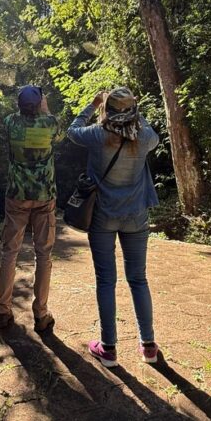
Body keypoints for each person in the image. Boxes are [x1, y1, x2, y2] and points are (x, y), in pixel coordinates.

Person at [67, 87, 160, 367]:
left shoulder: (97, 135)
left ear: (106, 110)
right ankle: (149, 347)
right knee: (138, 279)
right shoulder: (144, 137)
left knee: (106, 280)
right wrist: (134, 114)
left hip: (103, 217)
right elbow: (150, 132)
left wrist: (94, 104)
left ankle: (108, 349)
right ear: (134, 111)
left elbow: (72, 129)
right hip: (136, 217)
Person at [0, 85, 59, 332]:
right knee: (43, 255)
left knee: (9, 252)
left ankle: (3, 309)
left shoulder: (11, 122)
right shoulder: (50, 124)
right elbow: (53, 126)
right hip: (44, 196)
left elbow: (18, 117)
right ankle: (41, 314)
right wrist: (45, 106)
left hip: (16, 196)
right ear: (40, 104)